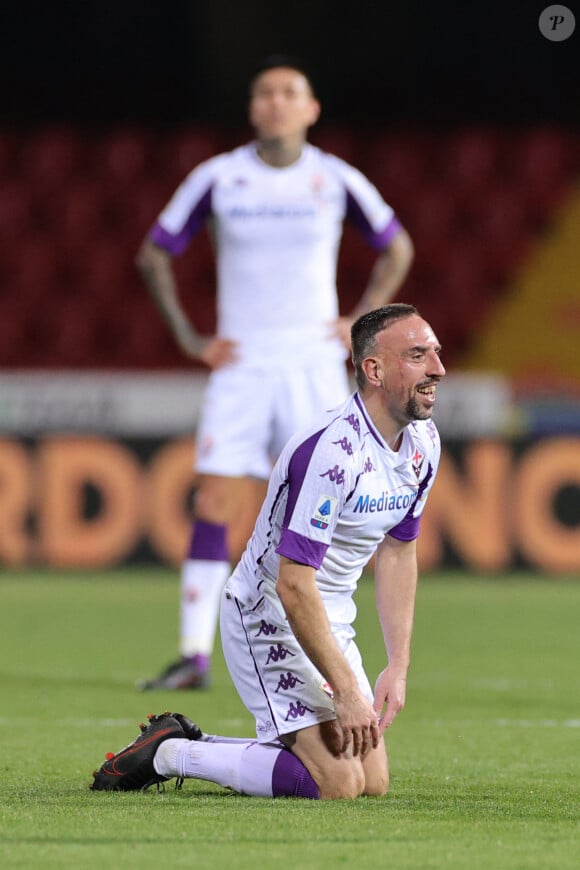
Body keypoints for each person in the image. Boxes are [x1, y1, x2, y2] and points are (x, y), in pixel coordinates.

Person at [135, 56, 414, 690]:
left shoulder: (335, 178)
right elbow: (153, 254)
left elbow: (397, 245)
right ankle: (193, 654)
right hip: (242, 364)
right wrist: (187, 337)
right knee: (214, 499)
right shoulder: (219, 177)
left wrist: (361, 318)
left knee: (329, 503)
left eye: (291, 92)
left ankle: (328, 638)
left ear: (311, 109)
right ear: (252, 107)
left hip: (314, 362)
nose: (277, 102)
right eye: (266, 92)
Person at [91, 303, 445, 800]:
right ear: (374, 369)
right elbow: (293, 582)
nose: (438, 368)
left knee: (375, 784)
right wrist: (345, 689)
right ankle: (169, 753)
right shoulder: (332, 453)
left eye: (435, 352)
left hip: (330, 619)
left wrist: (397, 666)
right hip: (269, 613)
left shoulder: (422, 444)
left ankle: (195, 742)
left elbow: (398, 553)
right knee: (338, 783)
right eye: (418, 354)